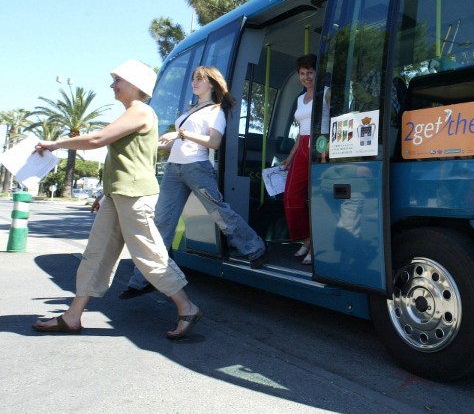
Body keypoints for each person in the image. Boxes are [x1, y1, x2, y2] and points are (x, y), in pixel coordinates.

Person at [32, 59, 202, 340]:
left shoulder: (141, 111)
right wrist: (105, 191)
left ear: (134, 85)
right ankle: (72, 317)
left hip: (134, 196)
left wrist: (55, 143)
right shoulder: (132, 113)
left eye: (117, 80)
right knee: (96, 254)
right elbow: (126, 159)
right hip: (118, 193)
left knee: (149, 256)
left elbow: (98, 139)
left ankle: (187, 307)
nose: (112, 85)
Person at [119, 66, 267, 299]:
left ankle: (254, 247)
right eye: (193, 79)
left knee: (219, 213)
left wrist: (181, 135)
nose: (194, 82)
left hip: (197, 168)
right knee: (161, 223)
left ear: (212, 84)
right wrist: (157, 143)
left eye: (200, 79)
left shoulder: (216, 111)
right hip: (174, 169)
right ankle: (143, 279)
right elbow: (177, 142)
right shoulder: (191, 110)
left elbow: (214, 142)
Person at [280, 54, 329, 265]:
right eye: (302, 73)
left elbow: (335, 119)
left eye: (310, 72)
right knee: (292, 196)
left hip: (321, 144)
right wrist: (290, 157)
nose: (306, 77)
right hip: (302, 147)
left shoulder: (326, 93)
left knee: (318, 198)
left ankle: (318, 245)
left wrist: (327, 149)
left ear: (317, 73)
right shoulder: (300, 99)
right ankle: (307, 240)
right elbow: (301, 132)